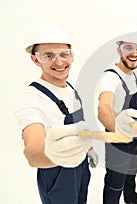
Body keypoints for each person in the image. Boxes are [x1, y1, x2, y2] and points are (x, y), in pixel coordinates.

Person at [14, 23, 96, 204]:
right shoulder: (30, 98)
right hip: (56, 173)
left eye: (63, 54)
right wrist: (62, 153)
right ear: (36, 60)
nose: (59, 62)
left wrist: (89, 148)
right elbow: (33, 153)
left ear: (72, 56)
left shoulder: (71, 88)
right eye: (48, 56)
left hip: (81, 166)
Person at [97, 40, 137, 204]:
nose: (134, 53)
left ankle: (131, 199)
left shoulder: (132, 75)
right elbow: (104, 109)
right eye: (128, 48)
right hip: (118, 138)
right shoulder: (111, 77)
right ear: (119, 50)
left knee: (131, 173)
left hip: (134, 135)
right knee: (115, 181)